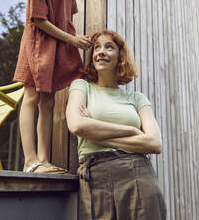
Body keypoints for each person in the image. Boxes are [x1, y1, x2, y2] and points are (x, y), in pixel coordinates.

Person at [13, 0, 91, 173]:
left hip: (55, 48)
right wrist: (72, 40)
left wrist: (70, 45)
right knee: (32, 98)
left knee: (47, 103)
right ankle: (29, 160)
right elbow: (40, 21)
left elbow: (65, 19)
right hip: (37, 44)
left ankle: (43, 160)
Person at [66, 30, 166, 219]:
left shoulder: (137, 98)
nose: (101, 52)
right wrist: (131, 131)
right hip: (95, 174)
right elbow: (77, 125)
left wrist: (94, 128)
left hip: (137, 173)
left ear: (121, 55)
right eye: (97, 48)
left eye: (109, 47)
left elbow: (154, 143)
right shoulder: (81, 87)